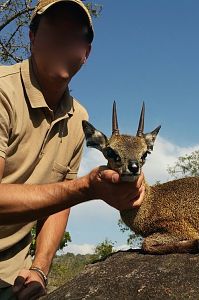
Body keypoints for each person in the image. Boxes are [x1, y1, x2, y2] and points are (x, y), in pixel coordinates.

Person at [0, 0, 145, 299]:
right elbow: (72, 191)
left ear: (86, 53)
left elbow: (59, 202)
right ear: (32, 36)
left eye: (75, 34)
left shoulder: (79, 118)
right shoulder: (3, 92)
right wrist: (87, 189)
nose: (64, 41)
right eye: (55, 29)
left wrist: (39, 268)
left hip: (12, 275)